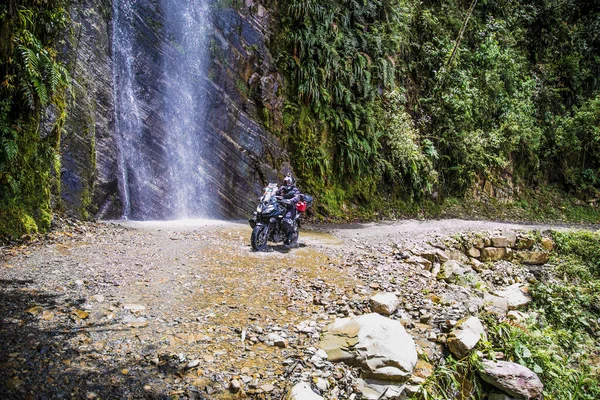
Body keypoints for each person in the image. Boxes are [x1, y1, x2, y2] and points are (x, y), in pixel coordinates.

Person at [276, 174, 300, 243]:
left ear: (292, 182)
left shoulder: (295, 189)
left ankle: (288, 236)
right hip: (280, 206)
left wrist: (291, 200)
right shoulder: (282, 188)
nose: (287, 183)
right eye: (286, 182)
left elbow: (297, 197)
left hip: (290, 208)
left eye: (288, 182)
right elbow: (275, 193)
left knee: (287, 220)